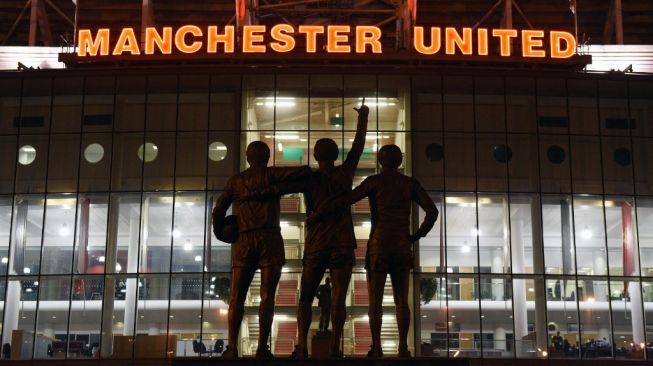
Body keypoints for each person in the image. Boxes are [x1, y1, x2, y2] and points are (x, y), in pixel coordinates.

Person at [243, 101, 370, 358]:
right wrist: (363, 120)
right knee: (338, 298)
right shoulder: (345, 173)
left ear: (314, 155)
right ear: (335, 156)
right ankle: (335, 348)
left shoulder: (310, 178)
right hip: (343, 242)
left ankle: (301, 347)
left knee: (306, 297)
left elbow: (279, 189)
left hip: (317, 242)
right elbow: (357, 147)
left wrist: (255, 193)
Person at [310, 144, 438, 358]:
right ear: (399, 161)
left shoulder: (374, 182)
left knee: (375, 301)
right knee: (401, 301)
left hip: (379, 244)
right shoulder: (409, 184)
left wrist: (320, 212)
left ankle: (377, 347)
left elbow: (346, 200)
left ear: (380, 161)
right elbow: (431, 211)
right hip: (401, 243)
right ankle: (403, 348)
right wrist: (416, 236)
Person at [212, 141, 311, 359]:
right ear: (266, 158)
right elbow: (303, 171)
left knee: (237, 297)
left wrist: (220, 233)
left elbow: (218, 209)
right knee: (267, 297)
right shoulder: (272, 174)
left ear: (248, 158)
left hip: (244, 240)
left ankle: (231, 348)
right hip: (269, 238)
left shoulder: (236, 181)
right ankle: (261, 349)